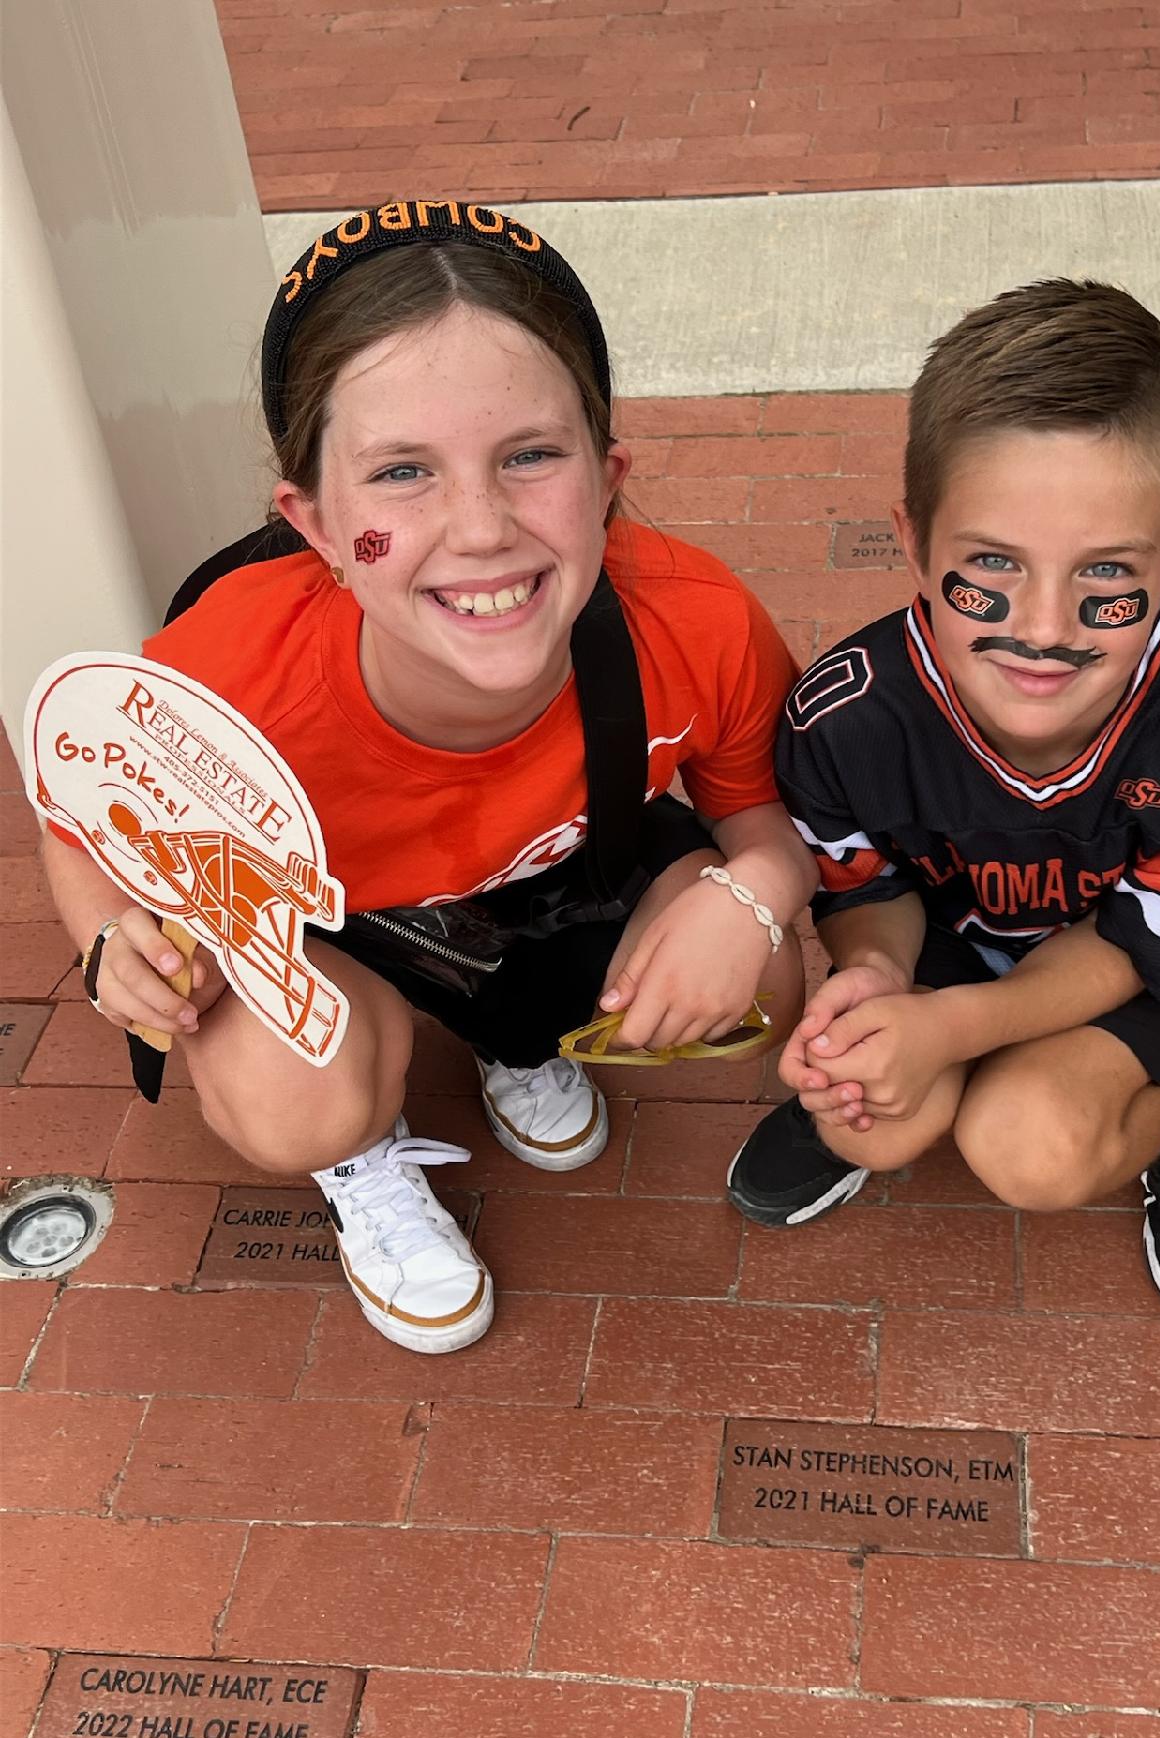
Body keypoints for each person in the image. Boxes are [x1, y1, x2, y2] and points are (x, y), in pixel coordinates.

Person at [42, 201, 813, 1354]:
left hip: (552, 884)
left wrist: (750, 899)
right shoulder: (229, 670)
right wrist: (112, 942)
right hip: (327, 925)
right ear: (311, 519)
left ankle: (519, 1037)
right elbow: (74, 816)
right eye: (402, 472)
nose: (482, 527)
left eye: (531, 456)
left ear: (608, 479)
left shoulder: (693, 622)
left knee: (775, 982)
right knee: (292, 1097)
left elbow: (768, 821)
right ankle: (360, 1150)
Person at [727, 280, 1160, 1320]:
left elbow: (1151, 945)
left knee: (1031, 1150)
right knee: (870, 1116)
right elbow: (858, 883)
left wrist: (953, 1029)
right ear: (914, 544)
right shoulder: (843, 717)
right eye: (991, 566)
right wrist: (873, 985)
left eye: (1107, 573)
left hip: (1131, 964)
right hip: (951, 946)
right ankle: (922, 1060)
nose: (1045, 627)